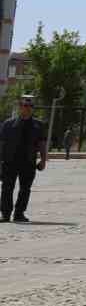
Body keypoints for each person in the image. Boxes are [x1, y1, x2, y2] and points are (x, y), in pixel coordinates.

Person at [1, 95, 47, 224]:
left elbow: (42, 144)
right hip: (9, 161)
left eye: (29, 106)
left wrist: (43, 160)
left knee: (25, 189)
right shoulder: (8, 124)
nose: (26, 108)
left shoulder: (39, 125)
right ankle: (5, 214)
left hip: (28, 161)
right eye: (24, 105)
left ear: (33, 109)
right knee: (7, 188)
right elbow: (2, 143)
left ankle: (19, 213)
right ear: (19, 107)